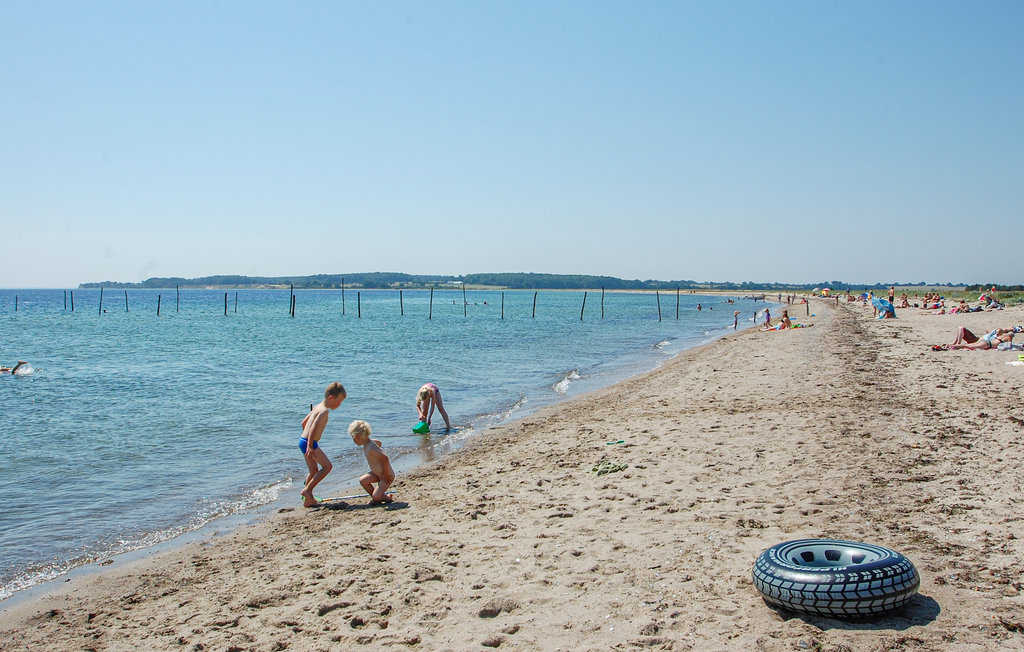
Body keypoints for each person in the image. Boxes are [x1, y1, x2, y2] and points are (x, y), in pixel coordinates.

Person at [299, 381, 347, 507]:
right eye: (339, 401)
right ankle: (307, 491)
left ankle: (307, 500)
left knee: (313, 470)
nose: (339, 405)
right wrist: (310, 445)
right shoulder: (324, 410)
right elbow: (313, 426)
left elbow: (303, 423)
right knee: (327, 467)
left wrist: (306, 440)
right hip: (310, 443)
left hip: (302, 441)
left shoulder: (317, 407)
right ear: (331, 398)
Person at [349, 420, 395, 504]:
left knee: (376, 497)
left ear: (358, 436)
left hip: (386, 476)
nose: (353, 440)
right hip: (377, 474)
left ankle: (384, 497)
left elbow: (385, 458)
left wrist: (387, 474)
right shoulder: (369, 443)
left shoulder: (370, 448)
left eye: (353, 437)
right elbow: (379, 443)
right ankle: (377, 496)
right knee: (363, 481)